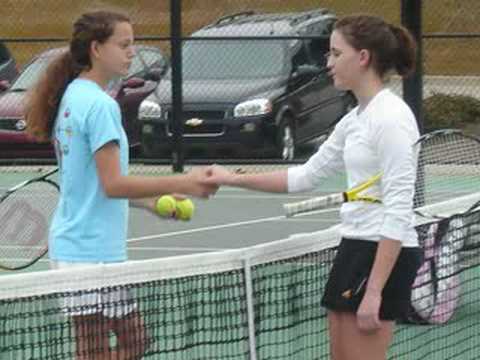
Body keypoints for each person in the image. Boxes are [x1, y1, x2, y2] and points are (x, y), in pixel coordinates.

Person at [204, 15, 423, 360]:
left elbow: (398, 209)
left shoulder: (391, 119)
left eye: (336, 54)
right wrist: (233, 178)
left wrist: (375, 291)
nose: (328, 63)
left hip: (381, 254)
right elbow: (304, 176)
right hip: (355, 245)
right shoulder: (355, 119)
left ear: (363, 57)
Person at [25, 10, 217, 360]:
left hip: (89, 249)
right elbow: (113, 184)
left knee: (133, 341)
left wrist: (155, 199)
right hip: (87, 253)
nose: (132, 52)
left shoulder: (73, 96)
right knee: (96, 349)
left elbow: (97, 184)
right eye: (124, 45)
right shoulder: (99, 106)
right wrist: (186, 182)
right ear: (97, 49)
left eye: (132, 45)